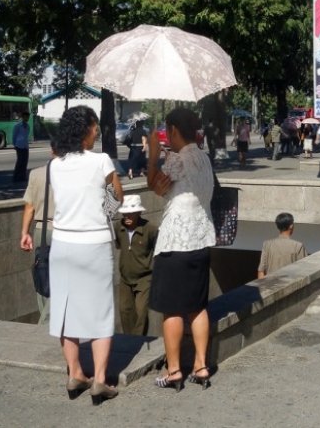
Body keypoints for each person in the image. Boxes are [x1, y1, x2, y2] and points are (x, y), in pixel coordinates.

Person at [49, 105, 123, 405]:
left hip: (61, 244)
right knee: (100, 311)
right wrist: (102, 205)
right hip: (93, 243)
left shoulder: (55, 164)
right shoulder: (101, 160)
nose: (96, 134)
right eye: (95, 128)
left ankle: (75, 373)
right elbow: (116, 200)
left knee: (65, 310)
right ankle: (100, 380)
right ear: (85, 130)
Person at [147, 107, 215, 392]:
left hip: (175, 243)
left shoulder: (177, 160)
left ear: (173, 130)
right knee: (197, 308)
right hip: (200, 241)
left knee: (172, 310)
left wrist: (153, 153)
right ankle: (201, 366)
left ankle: (174, 370)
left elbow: (154, 185)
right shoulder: (204, 158)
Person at [19, 146, 57, 325]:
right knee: (61, 278)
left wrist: (24, 233)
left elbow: (29, 207)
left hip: (41, 231)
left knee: (42, 273)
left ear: (51, 150)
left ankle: (44, 319)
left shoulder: (36, 174)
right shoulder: (72, 174)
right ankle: (46, 322)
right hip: (63, 232)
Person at [113, 195, 158, 336]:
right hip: (125, 278)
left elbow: (157, 248)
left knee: (141, 311)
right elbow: (119, 245)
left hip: (144, 278)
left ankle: (137, 339)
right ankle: (130, 338)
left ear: (138, 212)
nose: (127, 216)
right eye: (124, 213)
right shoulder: (118, 227)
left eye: (131, 213)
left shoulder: (150, 229)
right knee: (124, 309)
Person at [257, 213, 307, 278]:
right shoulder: (298, 246)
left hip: (269, 283)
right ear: (291, 226)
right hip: (290, 283)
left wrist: (263, 284)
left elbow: (261, 271)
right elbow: (304, 271)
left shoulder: (267, 244)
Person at [12, 110, 30, 182]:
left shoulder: (27, 126)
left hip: (25, 146)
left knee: (25, 162)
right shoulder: (18, 126)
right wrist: (14, 144)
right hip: (19, 146)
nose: (26, 118)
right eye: (25, 117)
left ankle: (23, 176)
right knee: (19, 162)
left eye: (27, 117)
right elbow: (14, 135)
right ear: (22, 117)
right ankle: (16, 176)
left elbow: (26, 136)